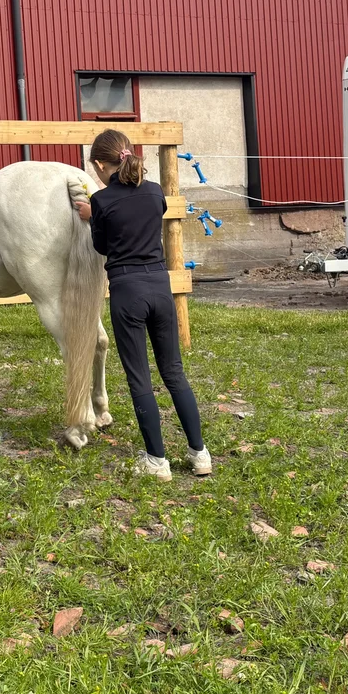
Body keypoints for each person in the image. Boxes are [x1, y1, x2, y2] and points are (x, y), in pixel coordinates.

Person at [76, 129, 212, 481]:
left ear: (99, 164)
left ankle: (156, 460)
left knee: (140, 379)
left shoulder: (103, 201)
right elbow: (144, 209)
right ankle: (199, 454)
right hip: (160, 286)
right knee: (174, 374)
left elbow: (103, 247)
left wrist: (92, 217)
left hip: (127, 290)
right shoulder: (156, 192)